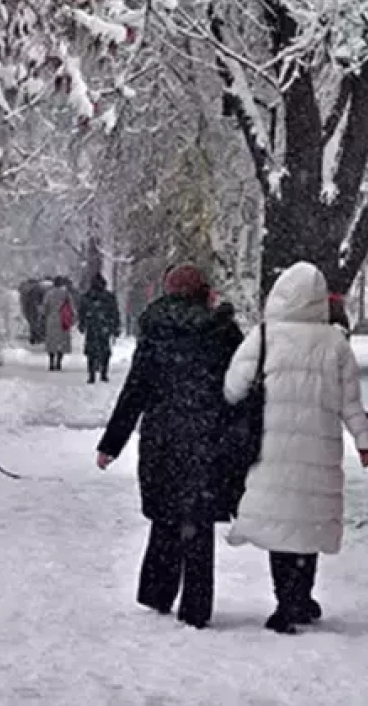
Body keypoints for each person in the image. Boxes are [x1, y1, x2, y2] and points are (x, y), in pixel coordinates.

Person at [223, 262, 368, 635]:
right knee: (308, 523)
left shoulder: (263, 337)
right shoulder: (335, 344)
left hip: (271, 448)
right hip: (318, 450)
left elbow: (233, 388)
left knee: (281, 525)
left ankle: (285, 600)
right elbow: (351, 402)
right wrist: (364, 440)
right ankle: (302, 597)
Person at [96, 264, 244, 629]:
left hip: (163, 438)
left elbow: (135, 389)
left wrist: (111, 443)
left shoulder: (156, 330)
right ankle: (196, 607)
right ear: (203, 291)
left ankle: (158, 592)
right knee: (199, 524)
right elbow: (240, 389)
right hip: (207, 439)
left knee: (165, 517)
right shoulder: (222, 332)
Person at [78, 273, 121, 383]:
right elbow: (115, 313)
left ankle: (92, 374)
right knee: (104, 351)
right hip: (104, 326)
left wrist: (82, 324)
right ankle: (103, 373)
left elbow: (82, 312)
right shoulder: (109, 297)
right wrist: (115, 327)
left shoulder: (87, 297)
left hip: (92, 326)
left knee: (91, 352)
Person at [42, 276, 74, 371]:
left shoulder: (49, 293)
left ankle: (51, 361)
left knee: (51, 342)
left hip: (52, 319)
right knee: (61, 342)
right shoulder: (66, 294)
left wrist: (44, 315)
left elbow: (45, 307)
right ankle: (59, 361)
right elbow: (71, 307)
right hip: (63, 319)